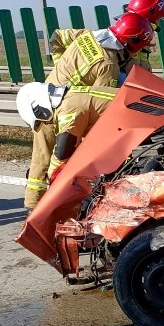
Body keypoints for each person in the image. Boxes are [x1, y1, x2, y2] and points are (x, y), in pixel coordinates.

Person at [23, 13, 154, 210]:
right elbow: (105, 110)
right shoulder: (107, 65)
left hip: (47, 101)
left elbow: (57, 37)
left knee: (41, 160)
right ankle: (48, 210)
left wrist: (61, 67)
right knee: (57, 165)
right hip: (65, 112)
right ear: (132, 40)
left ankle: (34, 208)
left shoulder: (90, 37)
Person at [17, 82, 117, 187]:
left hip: (131, 114)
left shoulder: (68, 108)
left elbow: (63, 150)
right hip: (126, 116)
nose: (46, 123)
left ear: (39, 107)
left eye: (40, 121)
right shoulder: (70, 96)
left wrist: (51, 176)